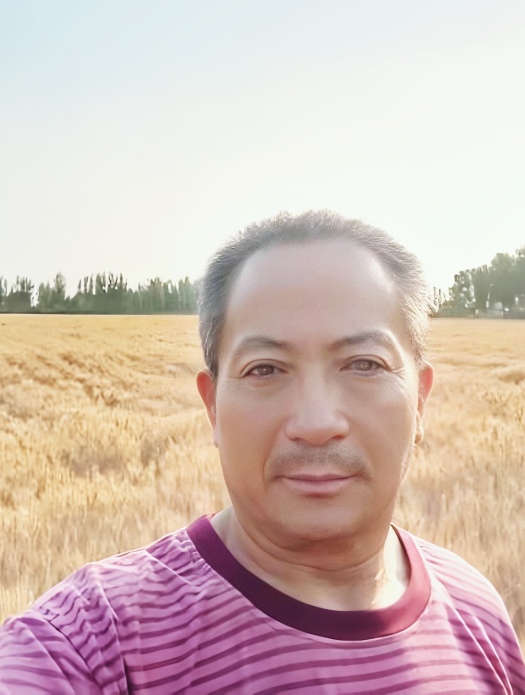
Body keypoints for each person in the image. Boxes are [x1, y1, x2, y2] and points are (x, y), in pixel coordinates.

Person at [0, 210, 524, 694]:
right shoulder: (93, 643)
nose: (316, 424)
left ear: (421, 401)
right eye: (265, 369)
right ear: (212, 407)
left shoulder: (476, 611)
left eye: (365, 364)